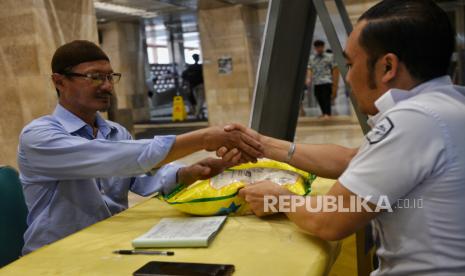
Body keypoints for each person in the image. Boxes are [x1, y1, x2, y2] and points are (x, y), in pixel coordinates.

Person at [221, 0, 465, 274]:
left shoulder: (415, 120)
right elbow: (354, 160)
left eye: (350, 64)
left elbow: (329, 220)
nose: (348, 78)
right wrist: (262, 144)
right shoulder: (447, 107)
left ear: (387, 67)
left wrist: (279, 198)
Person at [18, 40, 263, 254]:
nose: (107, 86)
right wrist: (203, 139)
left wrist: (188, 172)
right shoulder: (39, 137)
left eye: (110, 77)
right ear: (59, 81)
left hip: (108, 244)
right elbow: (114, 159)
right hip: (57, 253)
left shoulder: (115, 132)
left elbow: (140, 177)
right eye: (94, 77)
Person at [306, 40, 339, 118]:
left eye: (320, 47)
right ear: (315, 48)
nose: (319, 49)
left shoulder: (330, 56)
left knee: (326, 98)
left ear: (323, 47)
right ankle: (324, 113)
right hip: (316, 82)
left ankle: (328, 113)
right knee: (318, 97)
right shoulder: (312, 58)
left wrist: (335, 83)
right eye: (317, 47)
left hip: (327, 81)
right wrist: (308, 78)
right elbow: (309, 69)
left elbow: (335, 69)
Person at [182, 54, 205, 118]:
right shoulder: (201, 67)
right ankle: (197, 113)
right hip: (200, 85)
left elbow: (185, 77)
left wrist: (185, 86)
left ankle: (200, 113)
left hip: (193, 86)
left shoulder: (190, 68)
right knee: (200, 100)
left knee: (197, 100)